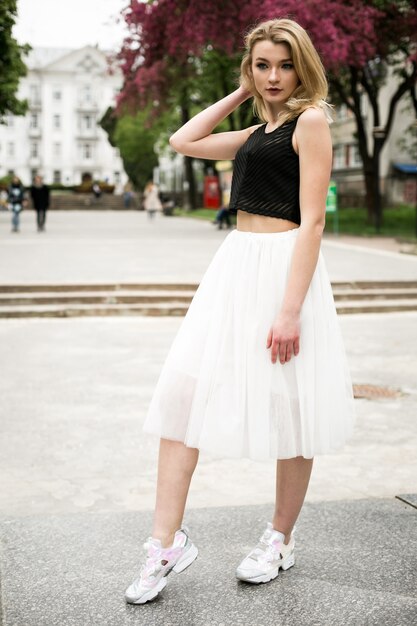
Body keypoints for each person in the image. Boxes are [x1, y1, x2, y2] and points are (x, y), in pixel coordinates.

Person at [125, 18, 355, 605]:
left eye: (283, 65)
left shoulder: (311, 122)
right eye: (262, 65)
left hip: (283, 272)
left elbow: (315, 221)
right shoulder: (257, 131)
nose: (274, 76)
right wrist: (244, 94)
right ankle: (165, 543)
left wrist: (289, 310)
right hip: (234, 269)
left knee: (291, 406)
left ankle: (279, 537)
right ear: (250, 70)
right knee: (182, 399)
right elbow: (185, 139)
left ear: (302, 65)